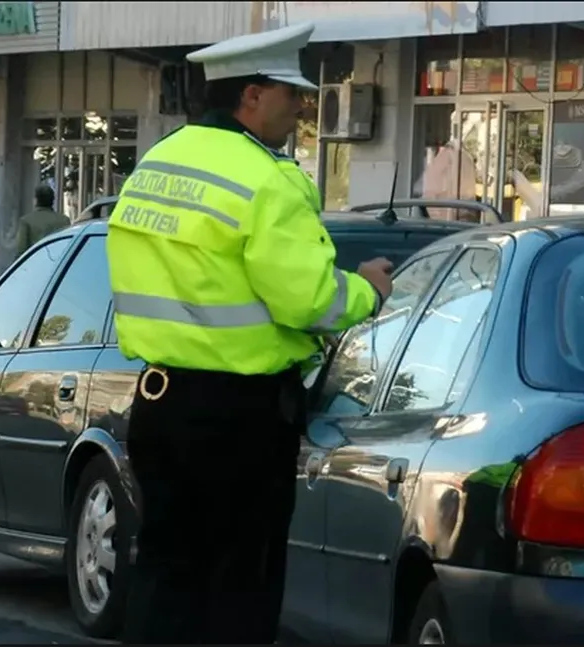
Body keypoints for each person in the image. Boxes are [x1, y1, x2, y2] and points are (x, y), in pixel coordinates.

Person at [106, 22, 394, 644]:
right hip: (240, 417)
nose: (301, 110)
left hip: (159, 402)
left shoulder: (158, 163)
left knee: (165, 569)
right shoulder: (270, 178)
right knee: (242, 579)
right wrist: (369, 288)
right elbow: (309, 301)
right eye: (293, 95)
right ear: (253, 96)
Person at [15, 183, 70, 255]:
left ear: (36, 200)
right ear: (52, 200)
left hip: (36, 262)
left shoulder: (26, 221)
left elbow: (21, 250)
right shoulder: (65, 220)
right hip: (59, 262)